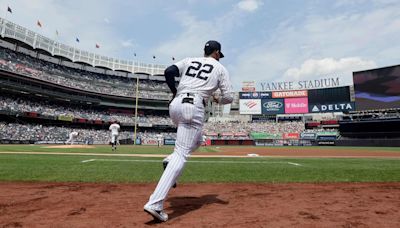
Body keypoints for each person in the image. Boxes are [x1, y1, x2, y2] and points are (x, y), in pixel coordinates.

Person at [144, 40, 233, 222]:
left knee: (198, 140)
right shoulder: (220, 68)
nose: (219, 57)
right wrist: (217, 100)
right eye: (219, 54)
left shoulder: (189, 60)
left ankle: (170, 160)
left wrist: (174, 91)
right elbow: (229, 97)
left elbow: (169, 71)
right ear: (216, 53)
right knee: (182, 153)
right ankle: (155, 203)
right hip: (194, 106)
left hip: (176, 105)